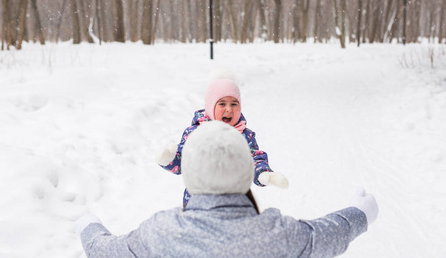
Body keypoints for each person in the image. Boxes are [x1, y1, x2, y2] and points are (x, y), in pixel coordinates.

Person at [75, 121, 379, 258]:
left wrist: (88, 226)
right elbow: (325, 235)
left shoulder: (161, 233)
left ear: (189, 176)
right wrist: (358, 214)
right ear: (247, 172)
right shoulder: (277, 233)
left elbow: (104, 251)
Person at [157, 73, 289, 206]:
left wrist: (263, 174)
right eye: (222, 104)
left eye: (234, 104)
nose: (229, 109)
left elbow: (254, 159)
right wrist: (170, 159)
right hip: (197, 204)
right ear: (210, 106)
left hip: (232, 203)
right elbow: (183, 164)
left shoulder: (244, 136)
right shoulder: (195, 134)